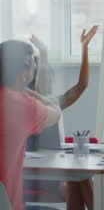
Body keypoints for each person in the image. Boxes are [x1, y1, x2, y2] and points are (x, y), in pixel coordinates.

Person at [24, 27, 97, 210]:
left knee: (80, 178)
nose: (49, 81)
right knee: (75, 182)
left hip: (59, 166)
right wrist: (44, 52)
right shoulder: (24, 103)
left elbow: (82, 85)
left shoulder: (54, 102)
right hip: (39, 173)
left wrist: (85, 49)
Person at [0, 40, 62, 210]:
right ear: (24, 75)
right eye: (33, 68)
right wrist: (28, 91)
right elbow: (56, 113)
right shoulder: (22, 105)